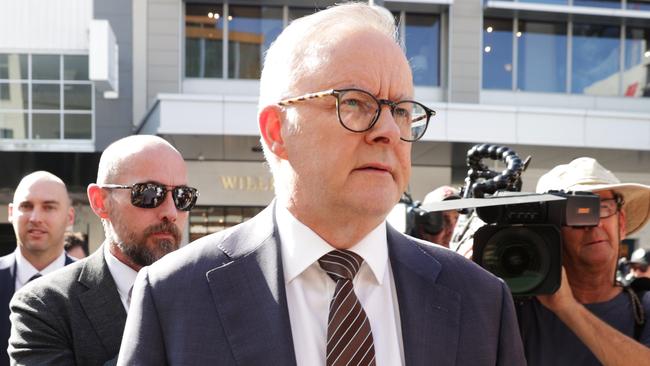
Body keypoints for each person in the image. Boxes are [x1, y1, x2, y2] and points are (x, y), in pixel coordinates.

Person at [117, 4, 525, 365]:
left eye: (400, 110)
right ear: (277, 130)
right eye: (354, 102)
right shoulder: (174, 296)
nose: (386, 130)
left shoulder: (481, 301)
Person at [8, 135, 198, 366]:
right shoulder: (43, 305)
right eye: (150, 193)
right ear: (100, 201)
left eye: (182, 196)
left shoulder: (209, 294)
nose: (170, 211)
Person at [518, 157, 650, 365]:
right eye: (578, 211)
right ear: (549, 231)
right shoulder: (517, 310)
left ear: (621, 222)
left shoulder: (644, 308)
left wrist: (569, 309)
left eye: (603, 208)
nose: (593, 223)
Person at [0, 171, 76, 366]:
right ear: (10, 213)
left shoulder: (97, 285)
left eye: (48, 207)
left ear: (70, 217)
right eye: (26, 206)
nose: (35, 217)